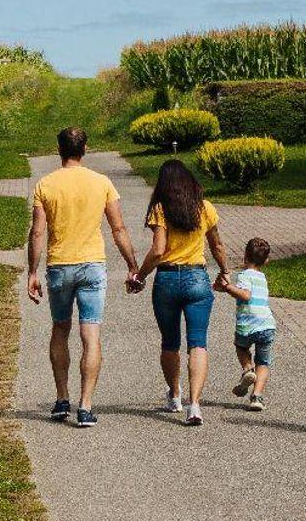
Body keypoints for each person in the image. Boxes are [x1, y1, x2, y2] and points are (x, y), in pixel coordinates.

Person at [28, 126, 138, 427]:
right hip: (92, 266)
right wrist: (132, 265)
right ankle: (86, 406)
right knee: (90, 334)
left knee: (60, 328)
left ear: (59, 150)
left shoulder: (45, 184)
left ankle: (62, 399)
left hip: (59, 266)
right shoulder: (101, 182)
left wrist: (33, 271)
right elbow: (118, 228)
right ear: (85, 149)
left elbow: (37, 232)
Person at [127, 158, 233, 426]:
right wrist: (225, 271)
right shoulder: (204, 208)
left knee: (170, 342)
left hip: (167, 280)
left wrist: (140, 276)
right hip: (197, 278)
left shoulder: (161, 209)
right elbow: (217, 245)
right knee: (198, 342)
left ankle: (175, 395)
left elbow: (158, 250)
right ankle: (194, 405)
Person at [219, 237, 276, 411]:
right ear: (266, 261)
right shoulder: (262, 277)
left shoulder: (244, 275)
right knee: (263, 362)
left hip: (247, 325)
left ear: (244, 256)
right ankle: (257, 397)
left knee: (241, 348)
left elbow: (245, 295)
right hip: (266, 325)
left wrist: (228, 287)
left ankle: (247, 370)